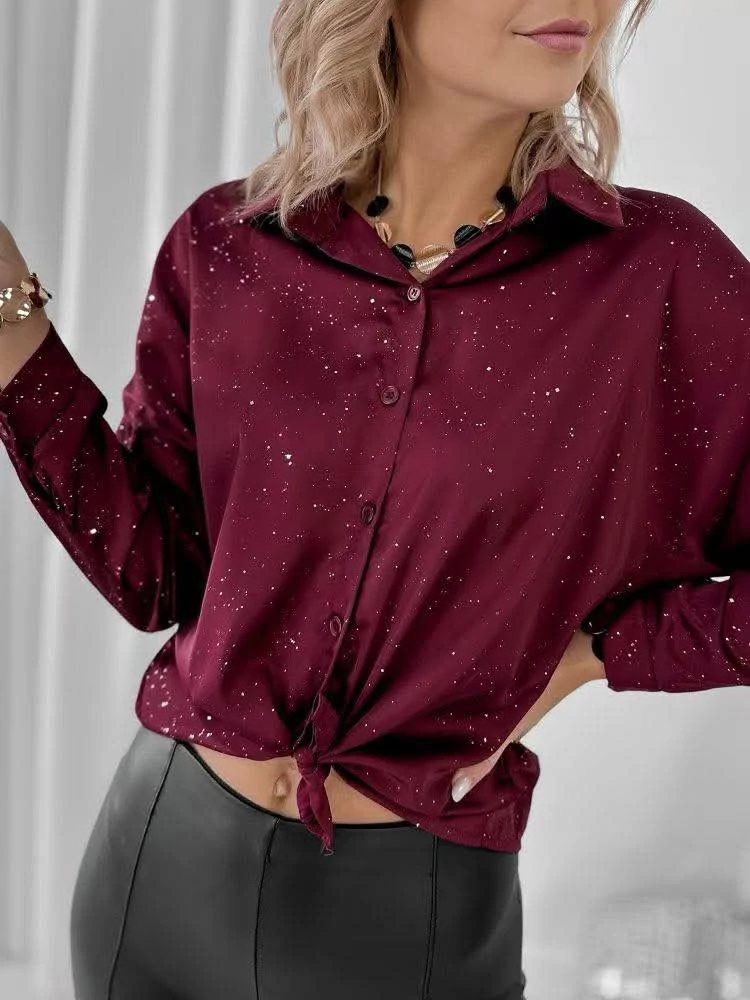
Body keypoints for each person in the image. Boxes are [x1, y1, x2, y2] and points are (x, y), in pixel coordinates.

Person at [2, 0, 749, 996]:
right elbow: (159, 574)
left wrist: (601, 652)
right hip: (158, 861)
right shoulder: (226, 243)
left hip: (407, 918)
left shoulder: (659, 275)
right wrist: (12, 336)